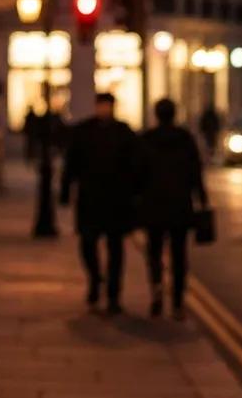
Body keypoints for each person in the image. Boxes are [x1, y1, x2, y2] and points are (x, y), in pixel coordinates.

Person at [62, 92, 138, 315]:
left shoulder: (124, 132)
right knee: (88, 243)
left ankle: (114, 294)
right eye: (102, 105)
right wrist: (66, 191)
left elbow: (135, 166)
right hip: (90, 197)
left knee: (115, 248)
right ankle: (95, 280)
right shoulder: (84, 131)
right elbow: (71, 163)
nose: (104, 109)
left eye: (108, 105)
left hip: (116, 199)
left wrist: (134, 194)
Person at [137, 98, 208, 320]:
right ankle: (177, 301)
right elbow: (195, 172)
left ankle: (157, 287)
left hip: (154, 204)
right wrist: (202, 198)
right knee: (179, 255)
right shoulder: (185, 139)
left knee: (154, 251)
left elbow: (137, 173)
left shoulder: (147, 139)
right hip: (179, 204)